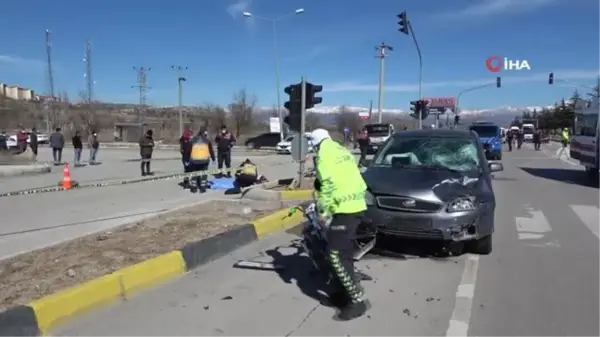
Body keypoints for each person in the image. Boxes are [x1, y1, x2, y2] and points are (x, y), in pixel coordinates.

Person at [310, 128, 369, 321]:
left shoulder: (323, 156)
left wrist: (323, 211)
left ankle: (357, 300)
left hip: (345, 210)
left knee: (335, 255)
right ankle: (346, 294)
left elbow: (326, 184)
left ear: (315, 144)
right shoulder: (342, 151)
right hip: (356, 205)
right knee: (343, 254)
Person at [187, 128, 215, 193]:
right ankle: (202, 188)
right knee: (204, 173)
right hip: (204, 160)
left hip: (194, 160)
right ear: (204, 133)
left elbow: (188, 150)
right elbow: (211, 150)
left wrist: (187, 159)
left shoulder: (193, 140)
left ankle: (194, 188)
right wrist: (213, 159)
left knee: (194, 173)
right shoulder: (207, 140)